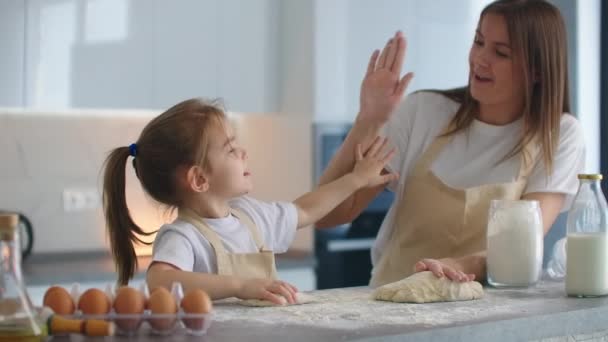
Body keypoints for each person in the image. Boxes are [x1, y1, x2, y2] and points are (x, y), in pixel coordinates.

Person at [317, 0, 585, 287]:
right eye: (479, 42)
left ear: (538, 71)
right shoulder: (423, 111)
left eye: (501, 53)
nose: (480, 58)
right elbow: (330, 214)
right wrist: (367, 120)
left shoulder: (557, 134)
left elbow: (521, 246)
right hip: (391, 301)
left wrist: (455, 267)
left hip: (485, 316)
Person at [101, 99, 396, 305]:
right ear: (200, 179)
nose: (243, 152)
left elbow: (306, 209)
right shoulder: (183, 235)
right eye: (230, 149)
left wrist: (356, 180)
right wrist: (242, 286)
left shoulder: (251, 216)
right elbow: (159, 282)